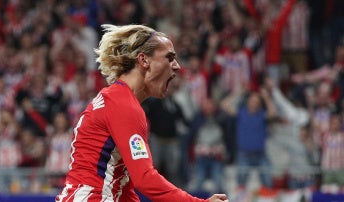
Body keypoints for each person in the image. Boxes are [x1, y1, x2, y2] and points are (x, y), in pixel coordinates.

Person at [55, 24, 229, 202]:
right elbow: (144, 177)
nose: (177, 66)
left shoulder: (115, 98)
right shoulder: (124, 105)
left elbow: (124, 186)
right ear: (143, 60)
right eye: (169, 58)